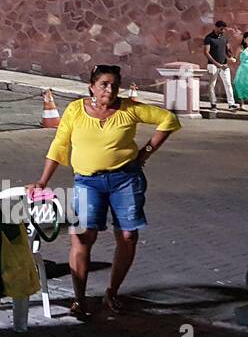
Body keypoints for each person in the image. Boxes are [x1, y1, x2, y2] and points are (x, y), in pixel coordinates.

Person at [30, 64, 180, 321]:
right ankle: (79, 298)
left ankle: (112, 292)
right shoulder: (76, 111)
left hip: (125, 180)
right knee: (83, 237)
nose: (109, 90)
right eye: (104, 85)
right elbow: (59, 144)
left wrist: (145, 152)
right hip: (88, 182)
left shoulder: (129, 109)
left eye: (114, 85)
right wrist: (42, 181)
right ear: (92, 87)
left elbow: (168, 119)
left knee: (128, 235)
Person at [203, 21, 238, 111]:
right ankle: (213, 104)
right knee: (212, 84)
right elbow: (206, 53)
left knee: (228, 83)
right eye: (221, 29)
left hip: (224, 64)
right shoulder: (209, 38)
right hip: (212, 65)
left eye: (224, 29)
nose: (222, 31)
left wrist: (231, 56)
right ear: (216, 27)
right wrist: (217, 64)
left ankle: (231, 103)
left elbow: (228, 50)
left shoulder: (224, 38)